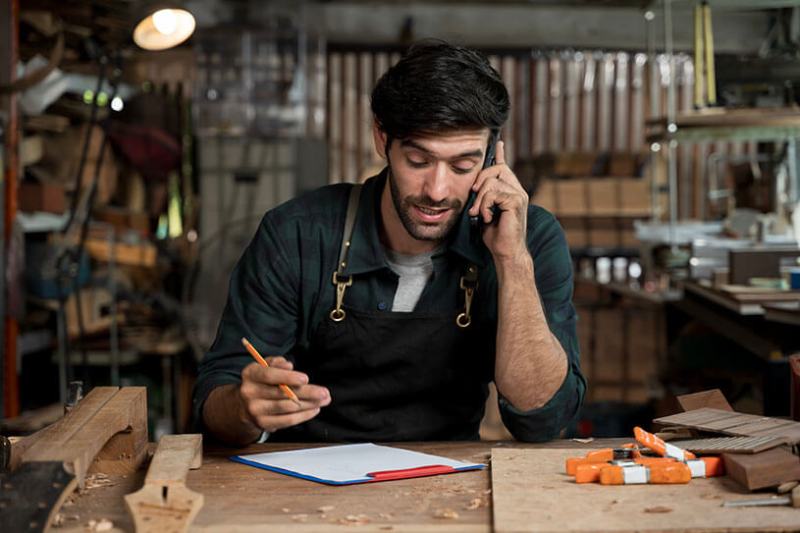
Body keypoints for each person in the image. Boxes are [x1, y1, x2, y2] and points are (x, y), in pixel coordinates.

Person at [194, 41, 585, 445]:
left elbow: (542, 419)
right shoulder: (297, 233)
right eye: (418, 161)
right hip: (303, 474)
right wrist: (245, 409)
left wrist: (512, 260)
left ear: (491, 157)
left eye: (463, 165)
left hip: (453, 473)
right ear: (382, 137)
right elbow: (213, 403)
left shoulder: (527, 237)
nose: (437, 190)